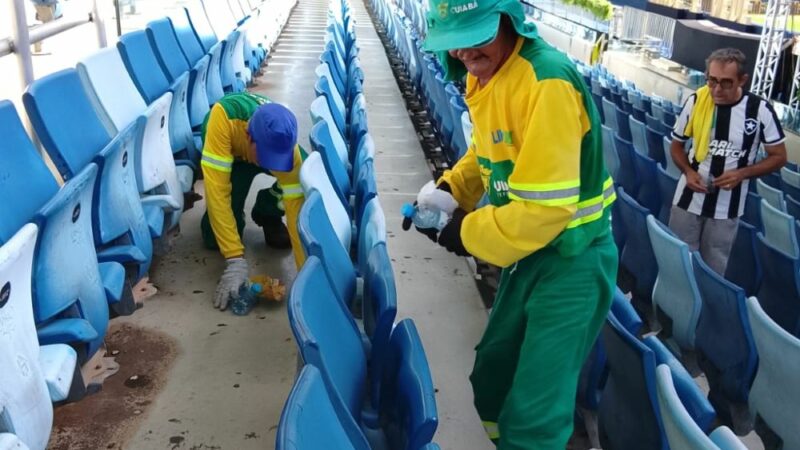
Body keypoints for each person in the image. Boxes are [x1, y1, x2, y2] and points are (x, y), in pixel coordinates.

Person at [405, 0, 617, 447]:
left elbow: (544, 212)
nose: (463, 52)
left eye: (474, 36)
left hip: (571, 260)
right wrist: (451, 189)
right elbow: (487, 153)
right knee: (493, 379)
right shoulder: (489, 73)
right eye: (453, 41)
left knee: (534, 414)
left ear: (508, 21)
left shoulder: (547, 83)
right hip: (529, 253)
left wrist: (464, 231)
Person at [669, 48, 787, 274]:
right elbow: (676, 145)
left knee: (712, 272)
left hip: (727, 209)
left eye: (725, 83)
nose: (716, 89)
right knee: (679, 264)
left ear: (742, 80)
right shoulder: (696, 101)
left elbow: (779, 156)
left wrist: (742, 174)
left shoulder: (760, 110)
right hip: (687, 200)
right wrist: (687, 171)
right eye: (711, 80)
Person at [200, 92, 306, 311]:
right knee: (213, 238)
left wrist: (305, 273)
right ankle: (229, 231)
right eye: (268, 159)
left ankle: (266, 209)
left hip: (259, 147)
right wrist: (234, 259)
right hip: (229, 149)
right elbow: (217, 193)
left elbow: (296, 212)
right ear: (249, 137)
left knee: (306, 182)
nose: (274, 165)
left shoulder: (288, 148)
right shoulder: (223, 120)